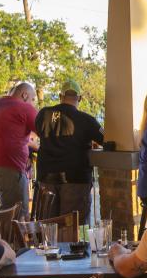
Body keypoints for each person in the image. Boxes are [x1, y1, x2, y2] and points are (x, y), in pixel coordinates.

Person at [34, 80, 103, 224]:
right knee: (75, 226)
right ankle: (76, 247)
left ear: (60, 96)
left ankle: (49, 247)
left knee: (48, 225)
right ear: (80, 98)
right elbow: (107, 141)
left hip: (47, 179)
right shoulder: (87, 120)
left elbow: (41, 133)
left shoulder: (43, 114)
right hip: (75, 180)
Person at [0, 82, 37, 215]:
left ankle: (6, 236)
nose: (33, 104)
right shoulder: (24, 107)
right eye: (33, 99)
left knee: (7, 212)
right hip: (9, 167)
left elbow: (9, 132)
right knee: (18, 216)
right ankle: (13, 237)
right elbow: (47, 132)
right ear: (24, 95)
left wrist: (27, 142)